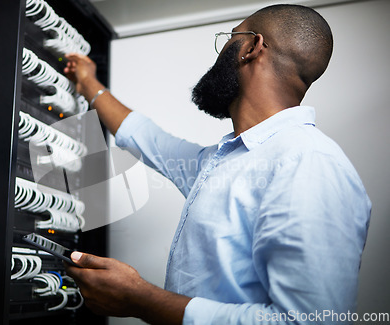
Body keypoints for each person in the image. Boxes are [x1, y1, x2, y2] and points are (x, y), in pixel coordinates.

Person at [63, 4, 371, 325]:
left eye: (230, 37)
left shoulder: (309, 164)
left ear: (252, 47)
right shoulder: (225, 159)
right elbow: (147, 139)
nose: (221, 50)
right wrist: (88, 84)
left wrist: (141, 299)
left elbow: (310, 322)